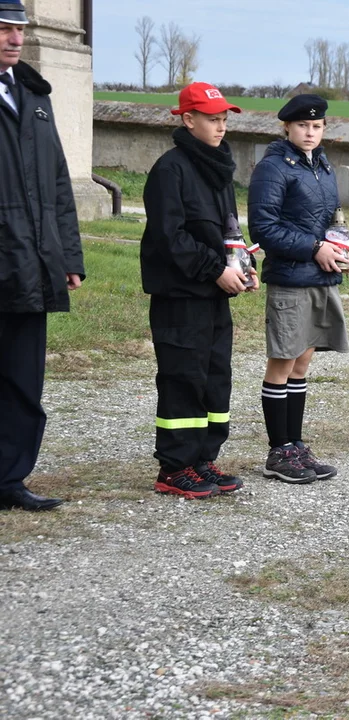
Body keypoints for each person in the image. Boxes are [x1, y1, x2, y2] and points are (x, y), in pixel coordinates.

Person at [141, 82, 259, 499]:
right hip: (180, 296)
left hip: (214, 296)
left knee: (214, 377)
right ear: (188, 120)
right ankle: (175, 467)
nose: (221, 127)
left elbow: (230, 232)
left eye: (225, 119)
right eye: (213, 119)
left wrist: (245, 266)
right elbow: (170, 237)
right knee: (182, 377)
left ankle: (203, 459)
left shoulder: (218, 169)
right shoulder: (170, 169)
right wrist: (214, 272)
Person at [0, 2, 82, 512]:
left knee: (22, 380)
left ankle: (10, 479)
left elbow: (57, 183)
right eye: (3, 29)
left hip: (30, 265)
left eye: (18, 30)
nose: (14, 39)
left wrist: (68, 256)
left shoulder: (33, 96)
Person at [249, 94, 349, 484]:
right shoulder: (273, 168)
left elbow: (331, 220)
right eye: (303, 126)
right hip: (291, 278)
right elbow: (264, 228)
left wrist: (343, 246)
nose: (311, 132)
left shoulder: (322, 166)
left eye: (317, 126)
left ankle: (295, 444)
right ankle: (279, 452)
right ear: (287, 128)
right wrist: (314, 248)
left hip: (321, 276)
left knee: (303, 363)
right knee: (283, 361)